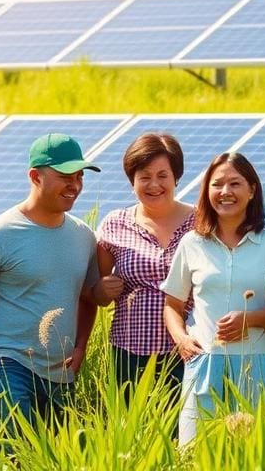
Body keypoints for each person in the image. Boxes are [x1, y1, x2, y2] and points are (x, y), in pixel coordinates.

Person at [0, 132, 106, 428]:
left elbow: (87, 299)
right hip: (8, 363)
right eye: (65, 176)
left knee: (54, 454)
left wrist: (81, 347)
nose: (74, 185)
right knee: (15, 453)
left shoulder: (83, 236)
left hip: (60, 372)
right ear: (35, 176)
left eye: (79, 176)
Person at [161, 152, 265, 444]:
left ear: (252, 190)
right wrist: (182, 339)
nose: (225, 192)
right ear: (207, 191)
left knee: (254, 453)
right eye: (217, 184)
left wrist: (250, 320)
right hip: (204, 362)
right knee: (197, 453)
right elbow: (172, 304)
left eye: (235, 183)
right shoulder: (192, 243)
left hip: (256, 364)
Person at [95, 132, 195, 397]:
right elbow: (95, 291)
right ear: (132, 181)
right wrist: (102, 289)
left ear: (176, 177)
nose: (154, 185)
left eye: (163, 175)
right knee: (135, 430)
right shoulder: (115, 223)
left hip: (189, 348)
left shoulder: (202, 223)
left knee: (187, 431)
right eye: (144, 177)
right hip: (130, 352)